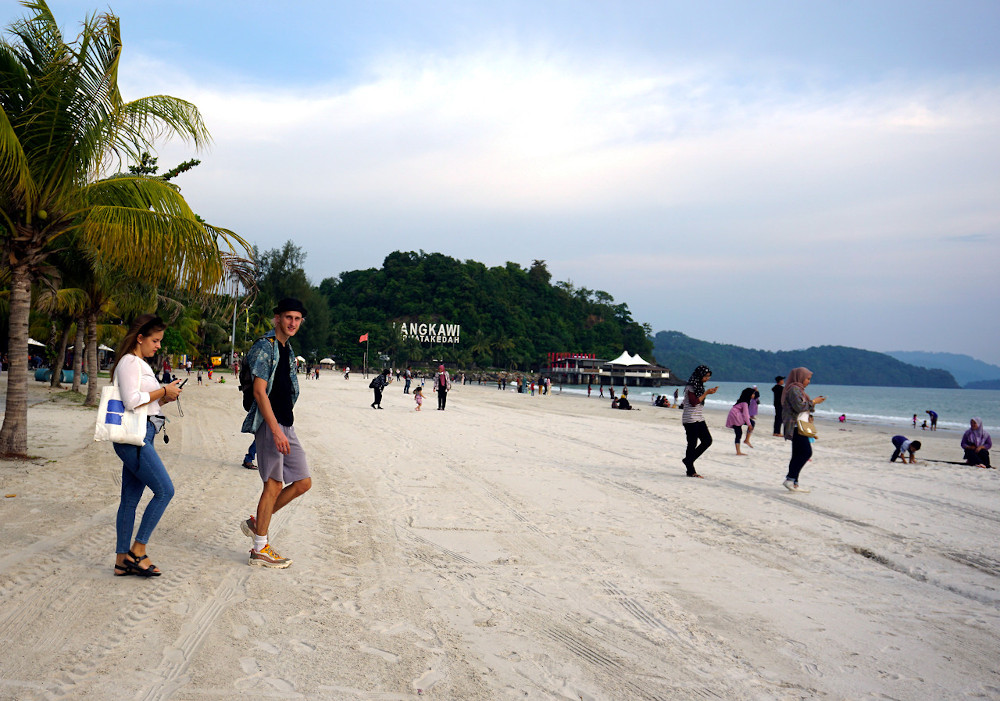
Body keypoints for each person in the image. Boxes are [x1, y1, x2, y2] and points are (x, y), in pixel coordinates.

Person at [239, 298, 312, 569]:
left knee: (303, 481)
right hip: (271, 425)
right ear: (277, 318)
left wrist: (284, 430)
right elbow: (259, 392)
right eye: (288, 317)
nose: (293, 323)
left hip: (286, 424)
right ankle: (260, 548)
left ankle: (258, 523)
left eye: (297, 318)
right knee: (273, 484)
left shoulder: (287, 349)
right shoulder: (264, 347)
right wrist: (274, 431)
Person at [111, 314, 184, 577]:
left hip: (140, 434)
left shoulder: (137, 362)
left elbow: (146, 403)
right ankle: (137, 550)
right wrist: (163, 391)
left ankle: (121, 561)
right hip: (136, 438)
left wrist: (167, 395)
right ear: (139, 338)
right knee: (165, 491)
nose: (159, 346)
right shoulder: (130, 362)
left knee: (129, 501)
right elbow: (131, 401)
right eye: (155, 340)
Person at [781, 367, 826, 492]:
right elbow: (800, 407)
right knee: (806, 453)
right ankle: (790, 479)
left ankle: (794, 481)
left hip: (800, 426)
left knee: (797, 454)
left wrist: (812, 403)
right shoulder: (794, 389)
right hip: (796, 426)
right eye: (807, 378)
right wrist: (814, 401)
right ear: (800, 377)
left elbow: (804, 408)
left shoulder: (799, 390)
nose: (809, 381)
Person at [681, 365, 718, 477]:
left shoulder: (699, 386)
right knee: (692, 443)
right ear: (699, 375)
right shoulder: (691, 386)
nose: (707, 378)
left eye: (709, 377)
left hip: (699, 417)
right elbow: (694, 402)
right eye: (706, 376)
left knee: (707, 440)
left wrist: (708, 392)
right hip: (690, 418)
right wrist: (706, 393)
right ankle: (690, 470)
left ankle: (688, 460)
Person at [725, 388, 756, 456]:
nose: (754, 395)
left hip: (733, 415)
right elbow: (745, 414)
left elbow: (745, 414)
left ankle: (738, 451)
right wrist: (749, 424)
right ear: (749, 394)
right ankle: (746, 440)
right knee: (751, 423)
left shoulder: (742, 401)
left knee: (738, 433)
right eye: (753, 393)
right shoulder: (745, 403)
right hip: (736, 416)